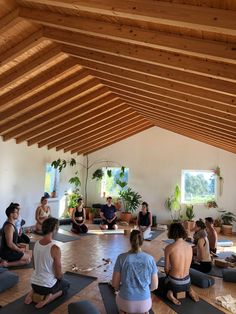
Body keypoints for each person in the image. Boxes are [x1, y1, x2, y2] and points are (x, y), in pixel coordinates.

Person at [24, 217, 70, 308]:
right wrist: (60, 277)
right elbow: (58, 274)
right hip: (47, 287)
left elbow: (34, 266)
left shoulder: (36, 244)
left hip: (34, 284)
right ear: (54, 229)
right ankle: (48, 299)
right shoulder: (55, 248)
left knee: (43, 280)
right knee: (66, 285)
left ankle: (31, 293)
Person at [112, 229, 158, 314]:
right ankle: (144, 311)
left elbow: (115, 284)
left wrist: (119, 289)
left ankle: (123, 311)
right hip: (145, 304)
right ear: (142, 241)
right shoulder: (150, 259)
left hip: (125, 303)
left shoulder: (121, 258)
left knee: (118, 296)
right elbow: (154, 286)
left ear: (130, 241)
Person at [159, 223, 199, 305]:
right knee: (182, 278)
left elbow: (166, 269)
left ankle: (169, 293)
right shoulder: (189, 247)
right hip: (187, 282)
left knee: (160, 282)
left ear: (171, 233)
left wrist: (169, 273)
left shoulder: (169, 248)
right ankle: (189, 289)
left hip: (175, 283)